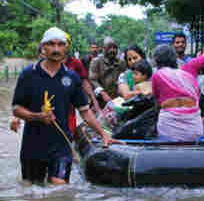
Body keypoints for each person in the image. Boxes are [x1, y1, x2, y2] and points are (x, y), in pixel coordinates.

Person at [11, 27, 123, 185]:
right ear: (43, 46)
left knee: (59, 188)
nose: (56, 49)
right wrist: (37, 116)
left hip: (61, 145)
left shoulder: (72, 77)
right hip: (33, 145)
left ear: (66, 48)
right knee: (31, 190)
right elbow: (16, 109)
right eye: (51, 44)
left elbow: (84, 111)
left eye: (60, 44)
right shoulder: (28, 74)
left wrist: (104, 134)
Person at [152, 45, 204, 141]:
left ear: (157, 60)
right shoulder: (190, 67)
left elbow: (157, 101)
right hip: (193, 126)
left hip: (168, 126)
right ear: (174, 58)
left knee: (169, 154)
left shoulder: (158, 75)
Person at [64, 34, 101, 134]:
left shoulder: (75, 63)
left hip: (70, 108)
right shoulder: (39, 68)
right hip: (48, 109)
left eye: (64, 43)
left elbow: (84, 82)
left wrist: (94, 100)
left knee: (69, 134)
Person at [89, 37, 126, 108]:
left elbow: (125, 78)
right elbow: (93, 80)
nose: (112, 50)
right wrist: (102, 93)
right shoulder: (96, 61)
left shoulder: (121, 63)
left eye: (115, 47)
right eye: (109, 47)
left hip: (118, 100)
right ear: (104, 48)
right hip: (101, 102)